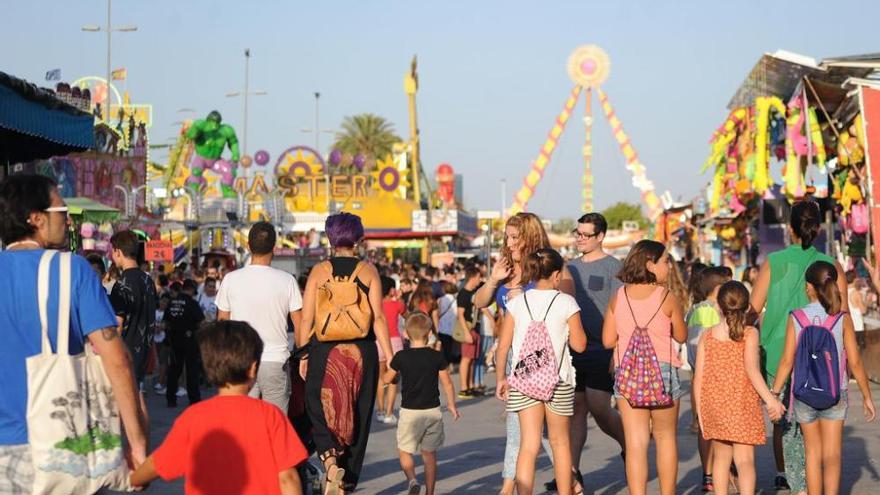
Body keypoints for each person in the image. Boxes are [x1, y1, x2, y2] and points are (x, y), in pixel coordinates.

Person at [0, 175, 147, 492]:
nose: (67, 220)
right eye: (61, 210)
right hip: (58, 446)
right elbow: (116, 359)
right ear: (36, 219)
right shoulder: (72, 270)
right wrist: (136, 441)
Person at [130, 320, 307, 494]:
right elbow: (288, 478)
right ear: (253, 369)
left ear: (208, 369)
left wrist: (134, 479)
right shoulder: (271, 415)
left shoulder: (193, 418)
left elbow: (159, 463)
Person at [750, 200, 849, 494]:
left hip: (778, 353)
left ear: (790, 228)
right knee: (816, 421)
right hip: (823, 358)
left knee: (785, 422)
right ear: (817, 228)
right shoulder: (831, 265)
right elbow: (843, 315)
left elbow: (753, 309)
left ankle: (792, 478)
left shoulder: (774, 262)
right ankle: (809, 482)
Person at [297, 212, 394, 494]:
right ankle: (346, 483)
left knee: (316, 406)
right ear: (358, 238)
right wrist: (389, 357)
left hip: (324, 350)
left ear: (331, 237)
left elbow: (306, 319)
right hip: (361, 351)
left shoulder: (318, 272)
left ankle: (328, 461)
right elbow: (378, 318)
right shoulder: (368, 272)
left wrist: (303, 354)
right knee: (360, 416)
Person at [771, 261, 876, 495]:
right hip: (835, 393)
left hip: (804, 395)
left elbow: (787, 361)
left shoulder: (797, 317)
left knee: (812, 454)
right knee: (832, 455)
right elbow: (855, 361)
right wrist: (867, 396)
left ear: (809, 287)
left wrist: (774, 393)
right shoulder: (841, 318)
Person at [495, 248, 587, 495]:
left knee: (528, 445)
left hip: (524, 380)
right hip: (559, 380)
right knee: (560, 443)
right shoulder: (566, 302)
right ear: (557, 275)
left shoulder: (516, 302)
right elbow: (580, 344)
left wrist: (501, 379)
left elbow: (503, 346)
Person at [473, 212, 551, 495]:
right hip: (514, 360)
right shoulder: (505, 267)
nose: (510, 242)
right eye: (507, 237)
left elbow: (563, 304)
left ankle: (569, 481)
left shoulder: (545, 266)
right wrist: (494, 280)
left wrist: (528, 301)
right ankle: (509, 485)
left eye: (515, 237)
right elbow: (479, 300)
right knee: (521, 430)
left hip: (543, 359)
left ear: (530, 236)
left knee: (548, 433)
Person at [602, 240, 688, 495]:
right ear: (650, 265)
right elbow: (681, 337)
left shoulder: (619, 296)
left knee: (636, 443)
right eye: (665, 262)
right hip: (663, 372)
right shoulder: (666, 297)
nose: (669, 267)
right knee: (665, 438)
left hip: (628, 373)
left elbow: (607, 340)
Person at [694, 281, 786, 495]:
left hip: (714, 406)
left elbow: (699, 377)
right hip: (742, 406)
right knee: (744, 462)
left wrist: (701, 412)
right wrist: (772, 400)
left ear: (718, 306)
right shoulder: (750, 334)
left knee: (721, 460)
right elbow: (753, 371)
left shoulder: (706, 336)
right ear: (746, 307)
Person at [559, 212, 626, 490]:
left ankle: (629, 444)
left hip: (603, 349)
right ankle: (572, 474)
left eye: (586, 235)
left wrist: (617, 351)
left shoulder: (615, 267)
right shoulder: (568, 268)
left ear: (600, 236)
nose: (580, 239)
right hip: (573, 348)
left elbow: (620, 310)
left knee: (599, 407)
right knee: (575, 411)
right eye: (578, 233)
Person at [217, 221, 303, 412]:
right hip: (276, 361)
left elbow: (222, 324)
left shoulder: (231, 279)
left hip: (242, 360)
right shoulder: (287, 281)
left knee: (243, 425)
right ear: (274, 248)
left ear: (248, 246)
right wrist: (302, 358)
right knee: (277, 424)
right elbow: (300, 325)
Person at [383, 313, 460, 495]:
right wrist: (451, 404)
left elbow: (387, 379)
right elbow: (447, 383)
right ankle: (429, 492)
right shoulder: (436, 356)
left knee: (404, 451)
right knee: (429, 455)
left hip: (410, 412)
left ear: (406, 335)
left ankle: (412, 480)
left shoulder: (401, 356)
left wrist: (389, 374)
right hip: (432, 411)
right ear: (429, 334)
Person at [683, 265, 730, 490]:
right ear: (718, 288)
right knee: (722, 427)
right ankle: (725, 470)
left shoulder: (694, 310)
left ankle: (708, 475)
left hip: (701, 373)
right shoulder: (714, 311)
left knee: (706, 428)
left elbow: (689, 341)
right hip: (717, 374)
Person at [109, 229, 158, 394]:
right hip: (143, 353)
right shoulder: (148, 281)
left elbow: (117, 325)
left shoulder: (122, 284)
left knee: (124, 401)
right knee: (135, 397)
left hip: (124, 354)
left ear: (118, 251)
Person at [164, 279, 205, 407]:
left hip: (174, 339)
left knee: (174, 370)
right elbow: (201, 322)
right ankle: (194, 400)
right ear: (192, 290)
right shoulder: (192, 303)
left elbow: (166, 321)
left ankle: (171, 399)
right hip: (189, 339)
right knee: (191, 370)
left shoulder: (171, 302)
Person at [377, 275, 407, 425]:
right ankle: (389, 413)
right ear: (390, 289)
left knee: (380, 377)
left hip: (378, 341)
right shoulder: (398, 304)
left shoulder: (375, 305)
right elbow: (407, 315)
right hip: (394, 342)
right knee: (394, 380)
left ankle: (380, 410)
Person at [457, 266, 483, 398]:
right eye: (478, 277)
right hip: (468, 328)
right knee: (466, 359)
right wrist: (466, 333)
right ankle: (463, 388)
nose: (480, 280)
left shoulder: (475, 292)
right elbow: (460, 314)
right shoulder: (463, 293)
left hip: (475, 328)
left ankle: (471, 385)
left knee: (472, 359)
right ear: (472, 277)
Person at [846, 270, 867, 349]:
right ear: (855, 279)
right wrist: (867, 301)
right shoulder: (856, 293)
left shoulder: (843, 292)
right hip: (858, 326)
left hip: (848, 325)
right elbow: (863, 310)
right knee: (861, 351)